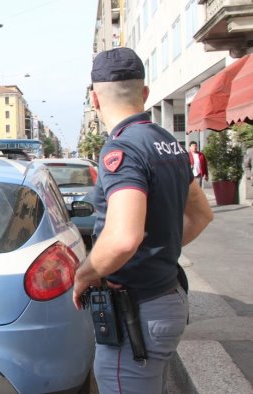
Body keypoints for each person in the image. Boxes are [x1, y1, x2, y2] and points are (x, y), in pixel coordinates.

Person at [72, 47, 213, 393]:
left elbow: (122, 238)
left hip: (138, 310)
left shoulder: (122, 150)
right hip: (166, 297)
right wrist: (160, 250)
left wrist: (85, 275)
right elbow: (200, 215)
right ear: (145, 93)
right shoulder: (167, 142)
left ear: (95, 98)